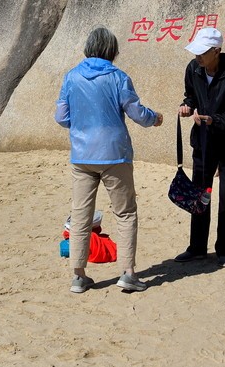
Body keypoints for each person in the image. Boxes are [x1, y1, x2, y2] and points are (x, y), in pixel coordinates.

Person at [55, 27, 163, 294]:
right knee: (125, 213)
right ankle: (128, 274)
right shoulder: (118, 77)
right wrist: (155, 118)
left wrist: (79, 126)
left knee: (81, 215)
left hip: (82, 155)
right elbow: (136, 112)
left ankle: (78, 276)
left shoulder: (71, 77)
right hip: (115, 154)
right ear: (111, 50)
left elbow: (61, 117)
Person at [176, 26, 225, 267]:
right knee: (200, 194)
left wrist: (212, 119)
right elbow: (191, 96)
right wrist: (187, 107)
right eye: (196, 53)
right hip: (204, 142)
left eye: (202, 53)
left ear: (216, 51)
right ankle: (197, 247)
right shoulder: (193, 69)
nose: (198, 57)